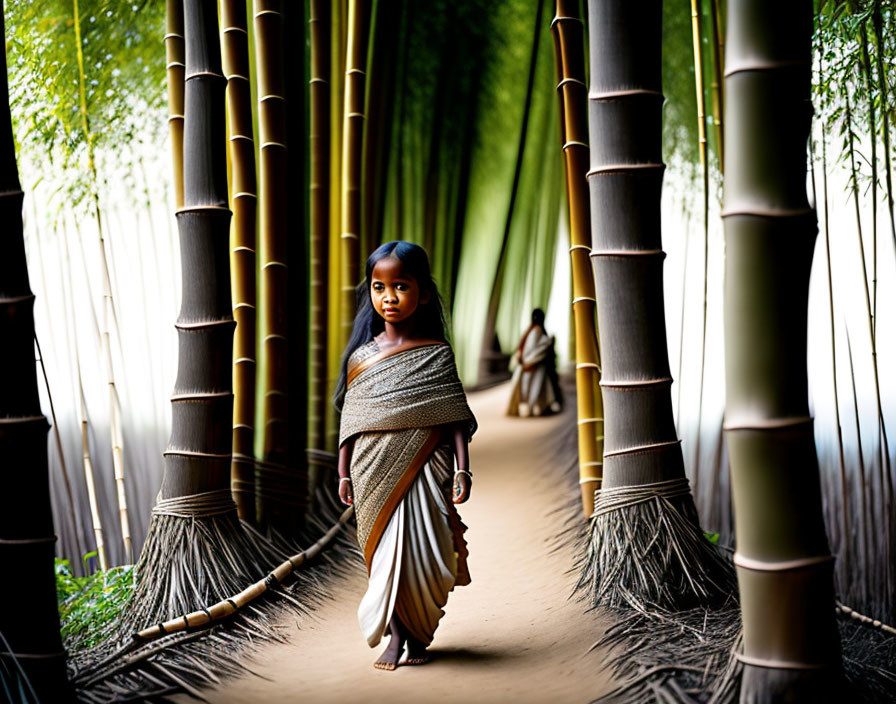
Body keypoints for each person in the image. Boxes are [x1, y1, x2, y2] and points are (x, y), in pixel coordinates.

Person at [334, 240, 477, 671]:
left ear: (425, 294)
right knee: (385, 556)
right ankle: (396, 637)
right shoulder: (360, 358)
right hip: (371, 469)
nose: (389, 297)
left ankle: (417, 635)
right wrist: (343, 473)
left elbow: (453, 415)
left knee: (426, 554)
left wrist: (464, 469)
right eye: (379, 287)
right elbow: (350, 422)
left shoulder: (436, 355)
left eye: (400, 286)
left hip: (429, 469)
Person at [506, 308, 562, 417]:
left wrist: (528, 361)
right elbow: (535, 349)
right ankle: (532, 409)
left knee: (533, 389)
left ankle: (532, 409)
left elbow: (535, 349)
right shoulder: (536, 331)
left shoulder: (533, 331)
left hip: (534, 365)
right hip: (531, 365)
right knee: (532, 388)